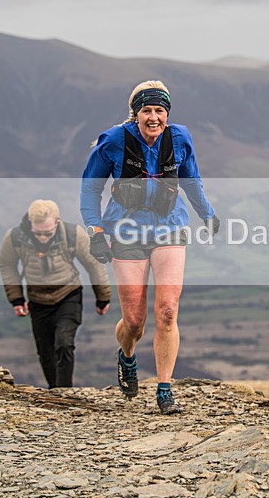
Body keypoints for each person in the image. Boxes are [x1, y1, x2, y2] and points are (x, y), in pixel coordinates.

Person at [80, 80, 219, 415]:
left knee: (168, 311)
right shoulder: (113, 140)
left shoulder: (181, 137)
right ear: (136, 113)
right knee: (134, 320)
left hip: (170, 225)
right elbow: (90, 188)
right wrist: (96, 231)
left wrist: (207, 214)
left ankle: (164, 389)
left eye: (159, 110)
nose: (153, 117)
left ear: (167, 114)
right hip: (126, 229)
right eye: (147, 110)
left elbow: (191, 179)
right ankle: (127, 356)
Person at [0, 199, 112, 389]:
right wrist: (16, 298)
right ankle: (54, 389)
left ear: (57, 222)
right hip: (37, 299)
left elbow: (93, 263)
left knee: (64, 344)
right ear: (30, 223)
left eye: (48, 233)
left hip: (69, 294)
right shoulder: (15, 237)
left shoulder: (73, 234)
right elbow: (6, 263)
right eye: (38, 233)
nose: (43, 237)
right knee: (45, 351)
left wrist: (103, 297)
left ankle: (64, 391)